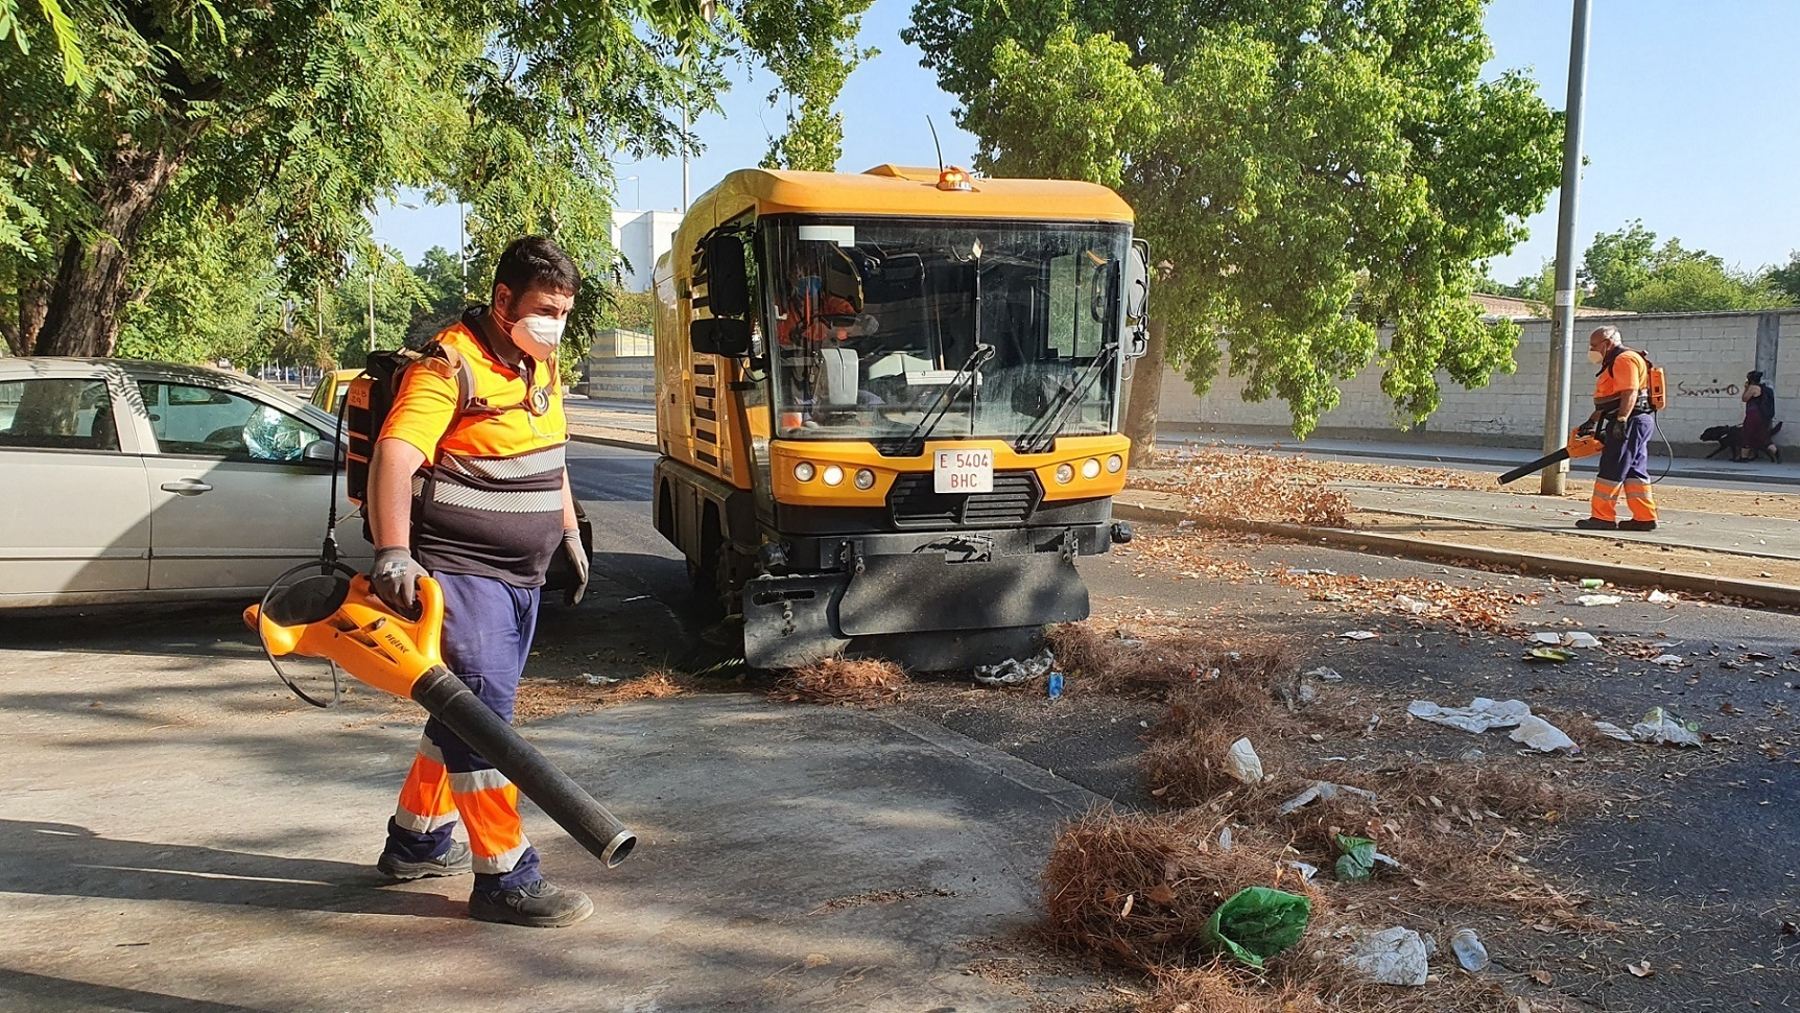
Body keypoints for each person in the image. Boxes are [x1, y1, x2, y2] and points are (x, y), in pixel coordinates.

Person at [365, 236, 594, 928]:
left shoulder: (539, 364)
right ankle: (505, 876)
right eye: (544, 308)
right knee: (487, 722)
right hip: (465, 573)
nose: (555, 321)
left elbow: (551, 457)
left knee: (465, 713)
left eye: (563, 310)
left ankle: (417, 839)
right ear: (503, 300)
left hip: (523, 575)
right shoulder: (449, 365)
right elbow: (396, 453)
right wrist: (394, 551)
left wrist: (569, 534)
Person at [1576, 326, 1658, 532]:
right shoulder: (1618, 360)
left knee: (1612, 467)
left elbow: (1629, 393)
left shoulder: (1623, 360)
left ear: (1607, 343)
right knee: (1634, 470)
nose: (1591, 349)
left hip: (1629, 421)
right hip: (1638, 421)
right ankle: (1644, 517)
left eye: (1594, 345)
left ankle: (1602, 517)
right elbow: (1610, 399)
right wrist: (1593, 419)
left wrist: (1621, 420)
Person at [1738, 370, 1779, 463]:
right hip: (1762, 416)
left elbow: (1744, 398)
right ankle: (1776, 452)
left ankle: (1744, 457)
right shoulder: (1764, 388)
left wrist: (1746, 388)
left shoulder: (1752, 388)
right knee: (1762, 436)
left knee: (1746, 434)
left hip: (1753, 414)